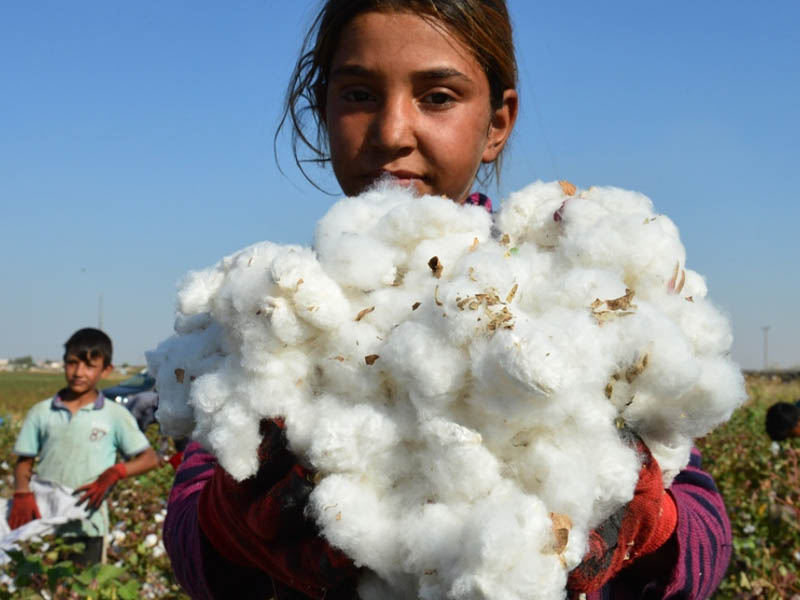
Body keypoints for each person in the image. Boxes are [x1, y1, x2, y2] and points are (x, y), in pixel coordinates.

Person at [163, 1, 732, 598]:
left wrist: (654, 527)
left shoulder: (585, 299)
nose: (391, 133)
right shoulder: (263, 315)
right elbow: (190, 528)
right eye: (358, 94)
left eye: (436, 97)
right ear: (322, 108)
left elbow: (704, 539)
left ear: (497, 123)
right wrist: (226, 526)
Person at [9, 328, 159, 565]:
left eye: (89, 366)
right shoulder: (41, 412)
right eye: (72, 363)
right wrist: (21, 493)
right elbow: (24, 463)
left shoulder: (114, 415)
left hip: (89, 525)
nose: (79, 372)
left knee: (83, 588)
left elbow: (149, 458)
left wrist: (116, 472)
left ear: (106, 370)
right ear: (64, 364)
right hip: (43, 522)